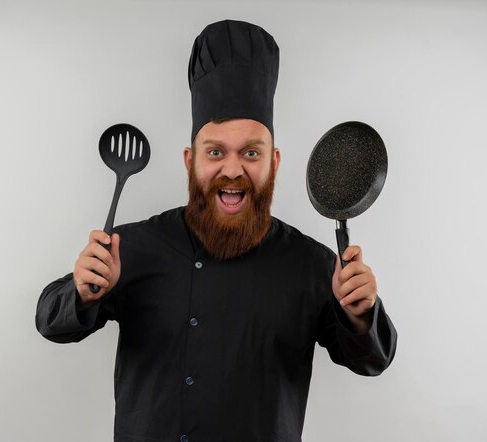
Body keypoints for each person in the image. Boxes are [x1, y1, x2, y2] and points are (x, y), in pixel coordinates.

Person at [36, 19, 397, 442]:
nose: (232, 169)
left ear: (273, 163)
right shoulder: (131, 249)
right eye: (214, 152)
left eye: (250, 152)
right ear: (190, 160)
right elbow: (49, 319)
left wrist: (359, 314)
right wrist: (82, 291)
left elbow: (373, 360)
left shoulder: (314, 266)